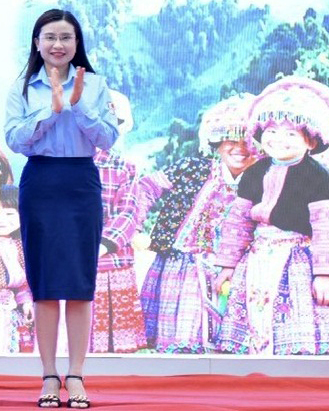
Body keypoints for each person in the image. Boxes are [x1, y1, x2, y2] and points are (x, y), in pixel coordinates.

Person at [4, 9, 118, 409]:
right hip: (40, 182)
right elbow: (16, 141)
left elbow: (107, 138)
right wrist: (51, 109)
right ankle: (49, 375)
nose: (57, 44)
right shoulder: (21, 88)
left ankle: (77, 374)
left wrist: (76, 105)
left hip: (81, 183)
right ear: (37, 43)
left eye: (66, 37)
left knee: (79, 284)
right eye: (49, 37)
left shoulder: (97, 84)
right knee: (46, 283)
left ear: (77, 43)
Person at [213, 76, 329, 355]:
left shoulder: (317, 176)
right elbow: (238, 222)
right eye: (272, 132)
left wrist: (324, 273)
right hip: (257, 258)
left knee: (294, 312)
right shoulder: (255, 172)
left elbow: (325, 227)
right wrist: (227, 264)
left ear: (311, 141)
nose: (279, 140)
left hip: (297, 258)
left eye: (291, 134)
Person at [139, 93, 256, 353]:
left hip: (241, 269)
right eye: (230, 139)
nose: (239, 147)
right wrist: (135, 225)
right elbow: (147, 188)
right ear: (217, 142)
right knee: (182, 345)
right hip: (184, 266)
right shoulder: (192, 168)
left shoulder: (265, 178)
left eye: (247, 140)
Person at [90, 91, 150, 354]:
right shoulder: (60, 162)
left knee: (115, 341)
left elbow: (128, 211)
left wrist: (102, 244)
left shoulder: (123, 167)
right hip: (69, 258)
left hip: (109, 261)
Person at [0, 183, 35, 354]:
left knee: (3, 345)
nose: (1, 220)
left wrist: (25, 301)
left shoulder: (22, 244)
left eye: (10, 213)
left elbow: (23, 282)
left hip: (8, 310)